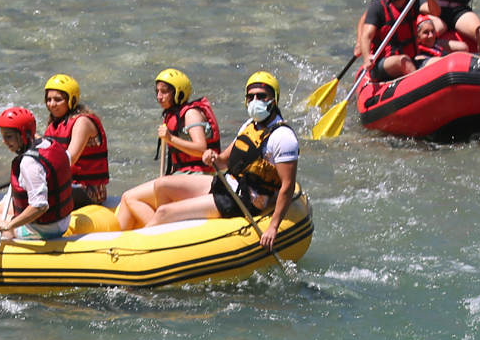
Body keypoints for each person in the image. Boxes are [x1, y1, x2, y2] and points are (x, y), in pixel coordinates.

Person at [134, 72, 299, 251]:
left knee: (164, 212)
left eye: (261, 96)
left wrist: (273, 227)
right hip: (227, 185)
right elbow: (223, 162)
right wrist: (211, 156)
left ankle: (135, 250)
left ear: (273, 99)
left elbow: (287, 186)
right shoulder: (250, 125)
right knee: (163, 184)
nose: (255, 100)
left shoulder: (283, 137)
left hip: (244, 200)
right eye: (251, 96)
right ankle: (170, 240)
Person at [114, 69, 222, 231]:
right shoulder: (173, 115)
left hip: (198, 177)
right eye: (157, 92)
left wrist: (171, 139)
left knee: (138, 195)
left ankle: (161, 233)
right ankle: (120, 242)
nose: (159, 97)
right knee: (128, 197)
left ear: (178, 93)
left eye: (164, 92)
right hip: (182, 176)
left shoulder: (191, 114)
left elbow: (201, 149)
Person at [0, 105, 72, 241]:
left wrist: (9, 225)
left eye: (8, 136)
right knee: (1, 209)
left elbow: (40, 206)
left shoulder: (29, 163)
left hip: (44, 229)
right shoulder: (50, 144)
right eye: (3, 136)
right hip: (63, 221)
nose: (4, 141)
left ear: (26, 135)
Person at [41, 74, 109, 211]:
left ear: (71, 100)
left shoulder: (82, 122)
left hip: (89, 190)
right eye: (48, 99)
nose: (52, 104)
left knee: (40, 191)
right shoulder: (54, 124)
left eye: (58, 100)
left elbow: (70, 158)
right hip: (68, 184)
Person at [357, 0, 428, 80]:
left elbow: (436, 11)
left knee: (436, 61)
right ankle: (421, 87)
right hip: (381, 63)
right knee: (403, 61)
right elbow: (366, 36)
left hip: (410, 58)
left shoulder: (414, 1)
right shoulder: (378, 6)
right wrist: (366, 57)